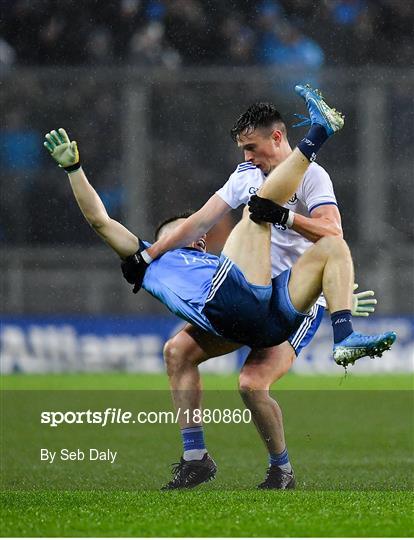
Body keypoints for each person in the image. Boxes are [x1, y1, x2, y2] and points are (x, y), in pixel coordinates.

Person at [44, 84, 395, 491]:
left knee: (252, 379)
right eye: (242, 150)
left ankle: (337, 344)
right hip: (240, 306)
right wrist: (144, 247)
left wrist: (323, 280)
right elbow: (134, 222)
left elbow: (331, 233)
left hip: (285, 300)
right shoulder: (225, 199)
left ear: (277, 138)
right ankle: (201, 460)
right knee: (179, 351)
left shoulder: (313, 178)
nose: (246, 158)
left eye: (251, 148)